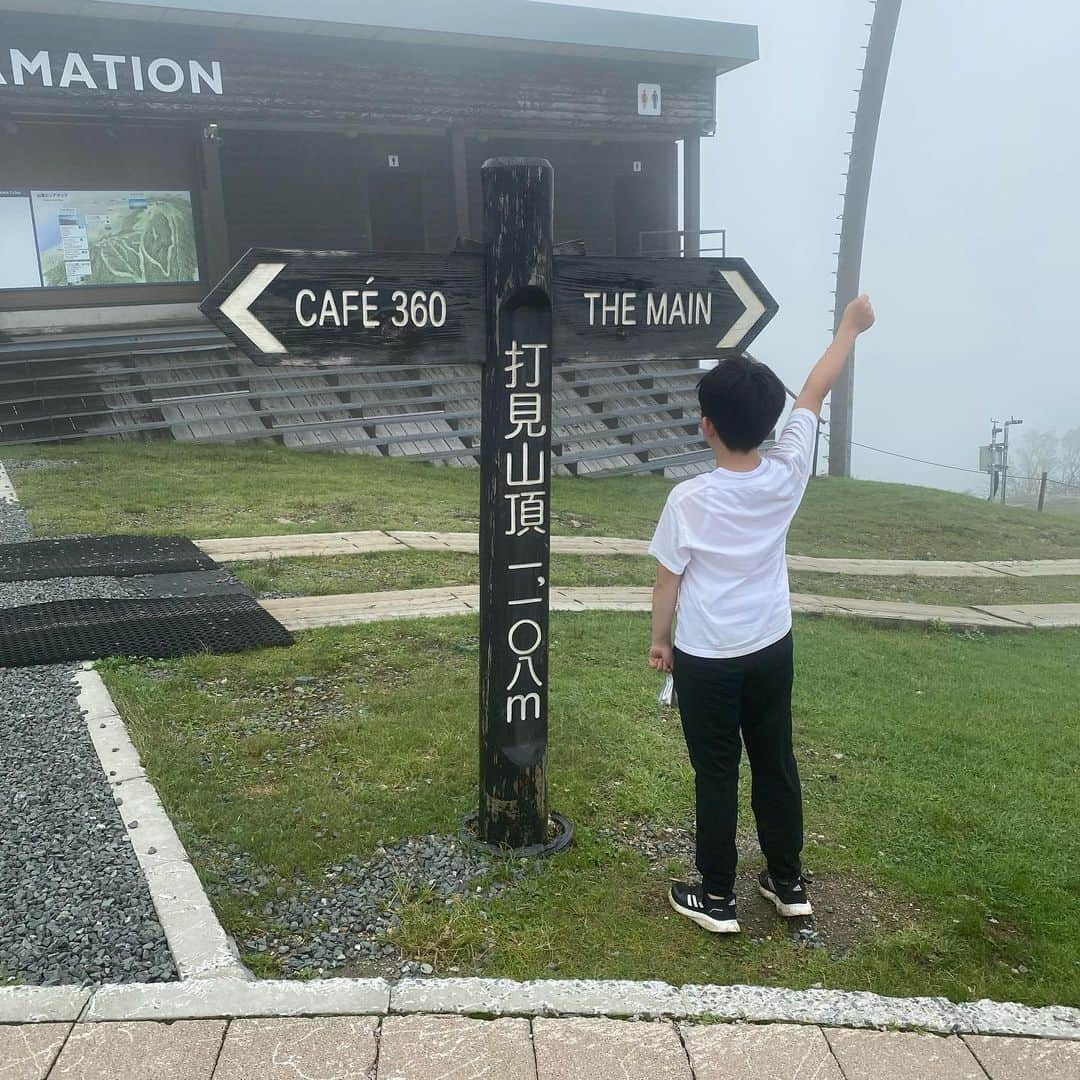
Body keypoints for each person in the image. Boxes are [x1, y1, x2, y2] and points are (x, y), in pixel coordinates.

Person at [647, 294, 876, 933]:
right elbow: (816, 386)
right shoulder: (788, 470)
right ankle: (786, 882)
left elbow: (667, 585)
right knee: (774, 758)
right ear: (770, 422)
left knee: (715, 769)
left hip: (707, 656)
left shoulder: (688, 500)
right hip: (771, 646)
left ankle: (716, 897)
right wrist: (849, 329)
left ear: (706, 425)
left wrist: (661, 642)